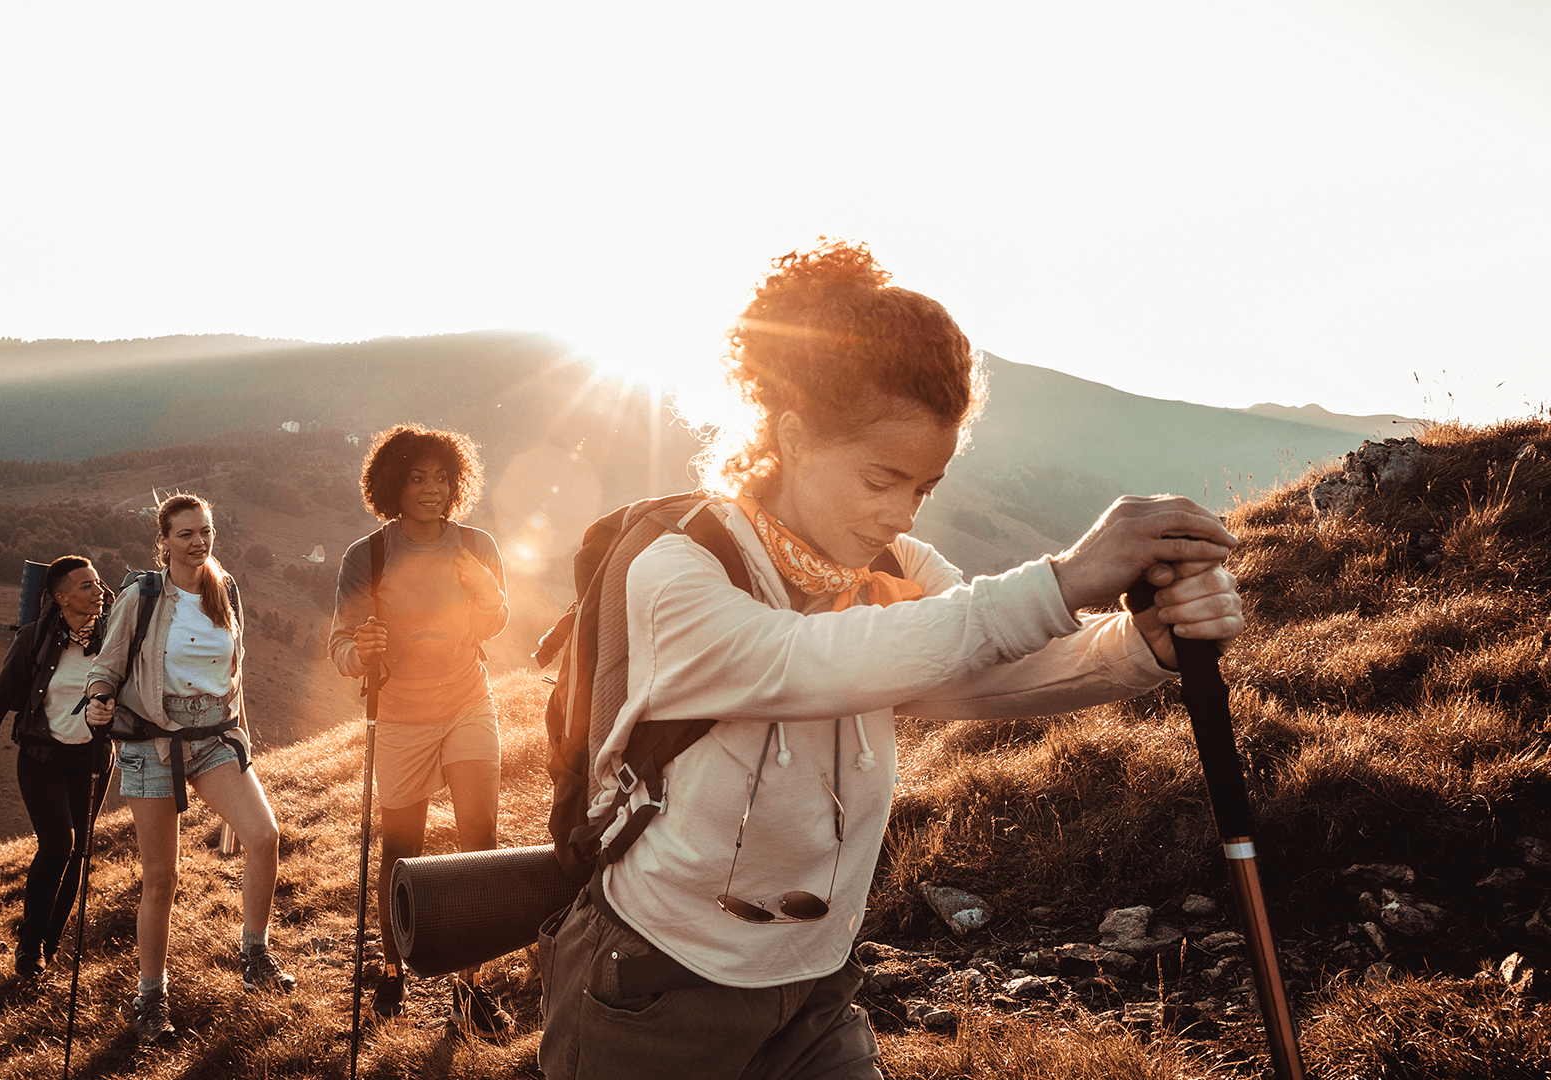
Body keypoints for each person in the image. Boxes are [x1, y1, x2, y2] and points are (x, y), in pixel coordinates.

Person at [536, 240, 1247, 1080]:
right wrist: (1066, 578)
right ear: (793, 436)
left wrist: (1141, 648)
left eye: (926, 486)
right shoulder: (677, 571)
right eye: (881, 479)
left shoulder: (896, 570)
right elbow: (808, 663)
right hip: (655, 984)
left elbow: (980, 668)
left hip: (816, 984)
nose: (901, 512)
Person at [83, 492, 294, 1044]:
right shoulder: (143, 596)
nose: (198, 542)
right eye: (185, 534)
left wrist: (241, 736)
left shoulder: (228, 591)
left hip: (212, 738)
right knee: (161, 879)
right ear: (164, 541)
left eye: (205, 531)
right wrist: (100, 699)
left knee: (264, 836)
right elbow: (105, 667)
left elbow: (234, 672)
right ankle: (149, 997)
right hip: (153, 741)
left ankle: (255, 955)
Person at [329, 423, 512, 1038]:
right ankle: (391, 964)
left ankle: (472, 984)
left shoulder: (475, 544)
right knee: (400, 851)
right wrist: (364, 651)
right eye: (417, 477)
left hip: (466, 700)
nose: (432, 488)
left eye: (442, 478)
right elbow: (341, 645)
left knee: (479, 837)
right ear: (391, 484)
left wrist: (487, 596)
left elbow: (493, 621)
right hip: (401, 714)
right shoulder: (370, 555)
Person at [0, 554, 111, 979]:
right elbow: (1, 692)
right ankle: (29, 943)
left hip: (93, 760)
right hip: (42, 757)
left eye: (98, 583)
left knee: (79, 851)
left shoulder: (116, 638)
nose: (98, 590)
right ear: (60, 597)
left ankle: (48, 944)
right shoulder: (34, 638)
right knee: (58, 845)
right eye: (86, 585)